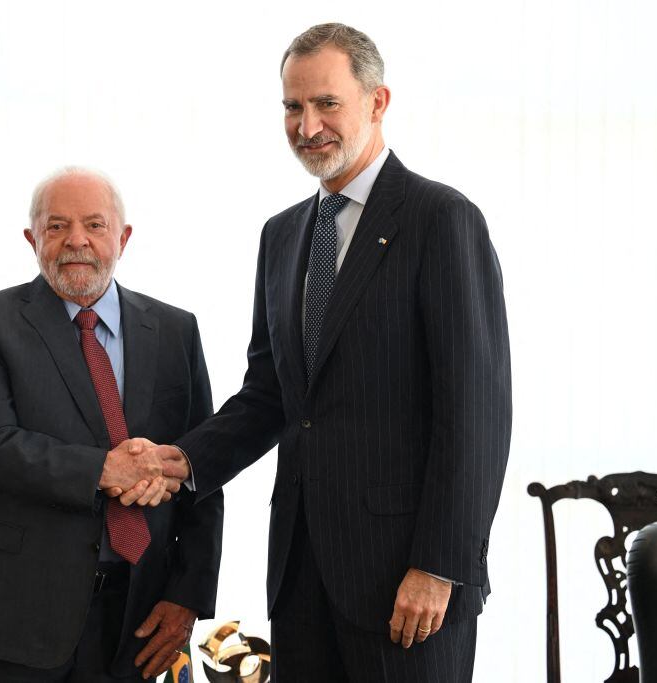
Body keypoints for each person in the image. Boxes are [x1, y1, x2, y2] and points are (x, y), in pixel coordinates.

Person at [118, 22, 512, 682]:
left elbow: (476, 411)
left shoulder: (440, 220)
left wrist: (441, 563)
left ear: (377, 102)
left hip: (407, 584)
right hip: (302, 578)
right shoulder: (282, 237)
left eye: (326, 103)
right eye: (292, 107)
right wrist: (185, 458)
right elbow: (273, 395)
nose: (307, 126)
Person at [0, 168, 224, 682]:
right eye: (57, 226)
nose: (77, 241)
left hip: (134, 622)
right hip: (11, 616)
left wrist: (188, 596)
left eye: (94, 224)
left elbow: (202, 471)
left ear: (123, 237)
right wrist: (103, 470)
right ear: (32, 239)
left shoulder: (177, 330)